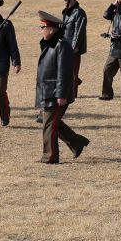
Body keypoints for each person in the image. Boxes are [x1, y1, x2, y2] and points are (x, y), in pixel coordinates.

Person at [36, 11, 89, 163]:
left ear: (51, 29)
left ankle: (50, 156)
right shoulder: (49, 43)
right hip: (47, 91)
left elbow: (64, 73)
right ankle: (77, 143)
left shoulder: (62, 46)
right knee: (47, 120)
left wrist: (61, 95)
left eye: (43, 27)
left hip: (56, 93)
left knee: (49, 125)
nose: (41, 31)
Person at [61, 0, 87, 98]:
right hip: (65, 45)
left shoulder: (79, 12)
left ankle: (73, 93)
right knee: (65, 68)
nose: (66, 2)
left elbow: (79, 31)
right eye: (65, 0)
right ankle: (74, 83)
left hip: (73, 46)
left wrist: (75, 46)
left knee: (73, 70)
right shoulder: (66, 11)